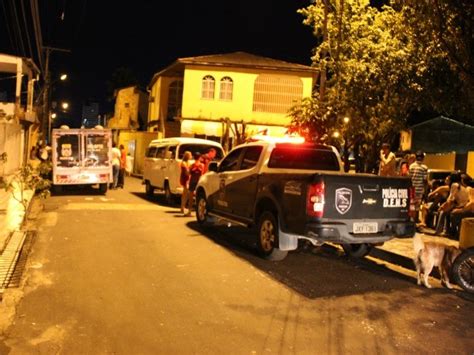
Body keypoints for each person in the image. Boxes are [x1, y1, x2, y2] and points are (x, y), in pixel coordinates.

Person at [409, 151, 428, 223]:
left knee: (412, 206)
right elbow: (425, 180)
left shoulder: (411, 166)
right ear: (422, 158)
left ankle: (412, 222)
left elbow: (409, 178)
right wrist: (425, 192)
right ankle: (414, 223)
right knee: (417, 208)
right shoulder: (424, 168)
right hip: (419, 190)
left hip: (412, 189)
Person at [180, 151, 193, 216]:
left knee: (185, 193)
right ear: (187, 156)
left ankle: (182, 207)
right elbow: (186, 172)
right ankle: (182, 207)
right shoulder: (183, 163)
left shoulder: (188, 162)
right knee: (185, 193)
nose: (191, 156)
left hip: (187, 178)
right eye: (190, 155)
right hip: (185, 179)